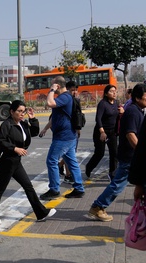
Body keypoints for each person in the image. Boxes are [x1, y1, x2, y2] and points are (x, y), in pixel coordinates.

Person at [0, 100, 56, 225]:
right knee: (0, 188)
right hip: (7, 161)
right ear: (12, 112)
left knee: (28, 186)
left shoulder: (23, 124)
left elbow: (34, 132)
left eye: (23, 111)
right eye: (19, 111)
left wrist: (33, 119)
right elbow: (1, 141)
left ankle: (40, 213)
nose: (21, 113)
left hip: (16, 161)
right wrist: (15, 148)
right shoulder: (6, 125)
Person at [88, 83, 146, 221]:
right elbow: (130, 134)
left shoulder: (137, 110)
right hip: (130, 156)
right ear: (137, 98)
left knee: (121, 183)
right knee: (118, 184)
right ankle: (98, 206)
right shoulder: (133, 112)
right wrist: (141, 154)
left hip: (132, 156)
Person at [40, 76, 85, 200]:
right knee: (72, 162)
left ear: (57, 86)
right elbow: (53, 115)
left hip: (63, 137)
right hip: (68, 136)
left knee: (51, 160)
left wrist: (51, 90)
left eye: (53, 85)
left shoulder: (65, 97)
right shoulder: (63, 97)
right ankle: (79, 188)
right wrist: (45, 128)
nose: (51, 87)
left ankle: (54, 189)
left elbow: (49, 103)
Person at [85, 84, 123, 179]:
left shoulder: (116, 103)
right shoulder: (102, 104)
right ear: (106, 93)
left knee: (114, 153)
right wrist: (102, 132)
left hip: (112, 132)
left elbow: (120, 116)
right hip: (101, 132)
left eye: (115, 91)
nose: (114, 93)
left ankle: (112, 174)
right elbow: (98, 119)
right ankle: (89, 168)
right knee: (100, 153)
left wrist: (123, 111)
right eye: (111, 91)